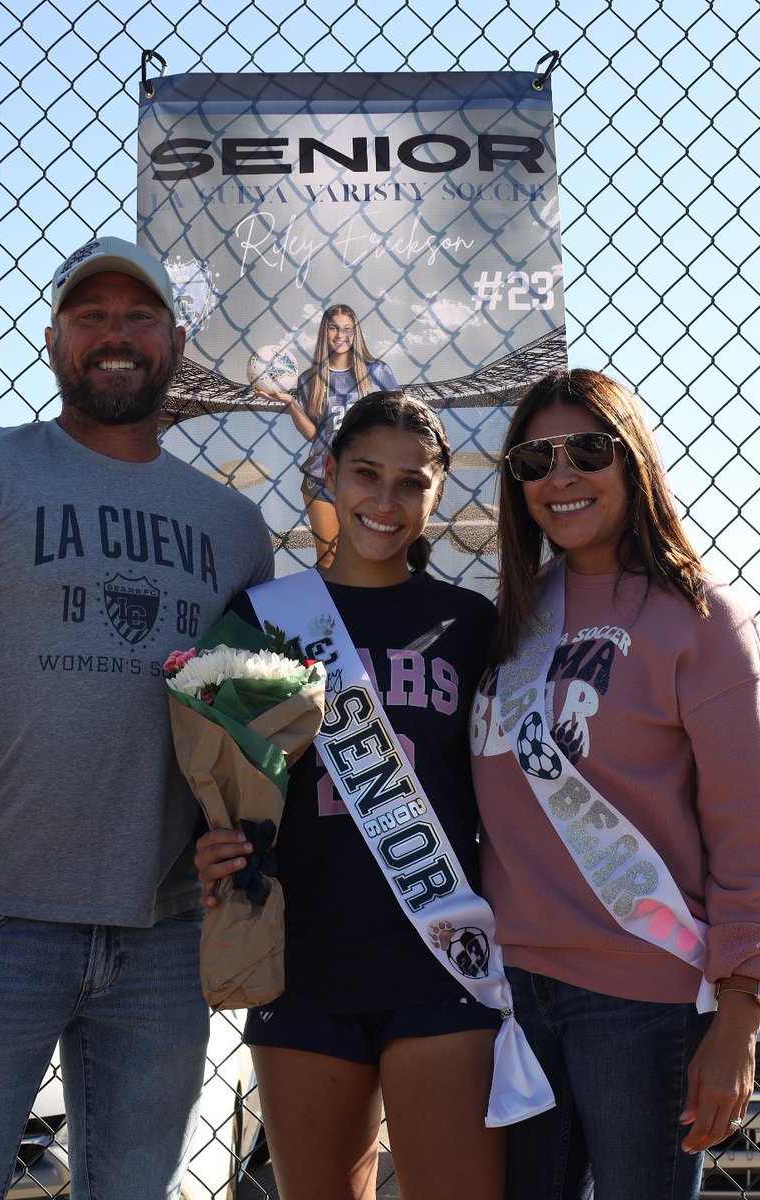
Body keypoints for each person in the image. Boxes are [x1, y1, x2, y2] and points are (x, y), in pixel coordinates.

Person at [0, 235, 275, 1198]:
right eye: (91, 316)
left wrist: (235, 839)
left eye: (137, 317)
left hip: (164, 930)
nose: (114, 336)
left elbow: (246, 733)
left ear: (174, 341)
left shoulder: (233, 526)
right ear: (53, 340)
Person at [471, 368, 760, 1200]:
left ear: (634, 461)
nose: (561, 476)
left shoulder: (700, 619)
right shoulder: (511, 617)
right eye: (535, 461)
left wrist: (738, 1016)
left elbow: (749, 835)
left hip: (644, 1001)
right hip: (512, 999)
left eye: (587, 450)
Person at [196, 392, 505, 1200]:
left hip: (442, 957)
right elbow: (225, 788)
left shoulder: (471, 621)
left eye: (413, 481)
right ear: (329, 473)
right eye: (366, 473)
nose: (386, 500)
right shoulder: (266, 618)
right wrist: (211, 841)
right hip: (304, 963)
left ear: (438, 492)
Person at [271, 304, 397, 566]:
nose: (341, 335)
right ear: (324, 332)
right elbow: (312, 434)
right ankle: (328, 608)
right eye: (333, 328)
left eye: (347, 329)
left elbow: (396, 421)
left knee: (366, 558)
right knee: (329, 561)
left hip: (367, 478)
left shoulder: (377, 372)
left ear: (355, 332)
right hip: (321, 477)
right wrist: (290, 403)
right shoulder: (310, 379)